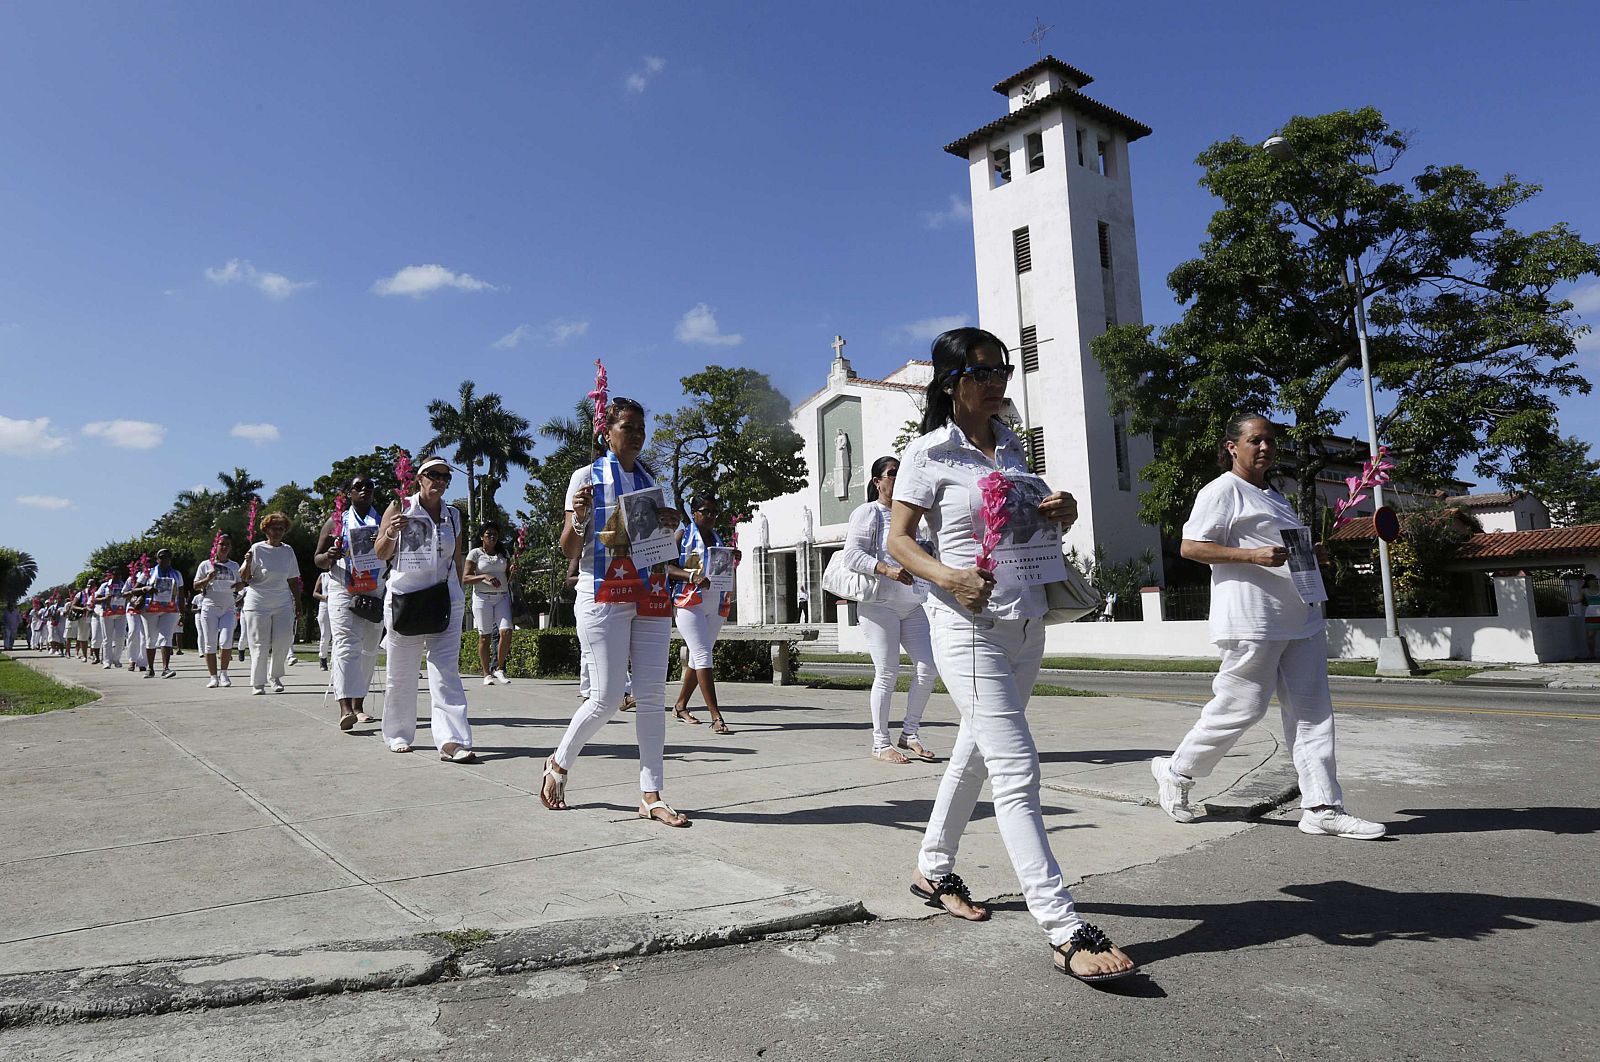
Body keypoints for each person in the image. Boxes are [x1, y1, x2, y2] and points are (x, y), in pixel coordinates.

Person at [886, 327, 1137, 983]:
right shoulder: (927, 453)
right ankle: (1062, 928)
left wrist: (1065, 512)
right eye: (982, 371)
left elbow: (1028, 527)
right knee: (1016, 767)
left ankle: (932, 867)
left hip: (1026, 622)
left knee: (976, 751)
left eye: (1002, 368)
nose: (997, 380)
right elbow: (899, 542)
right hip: (965, 624)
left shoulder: (1013, 448)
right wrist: (948, 577)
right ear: (950, 383)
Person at [1150, 412, 1386, 841]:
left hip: (1301, 618)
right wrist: (1251, 556)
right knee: (1242, 707)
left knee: (1314, 716)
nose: (1265, 448)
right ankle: (1178, 771)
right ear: (1232, 447)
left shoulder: (1276, 495)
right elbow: (1190, 547)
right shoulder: (1222, 490)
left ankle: (1322, 806)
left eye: (1270, 441)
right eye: (1255, 440)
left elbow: (1284, 549)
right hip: (1252, 619)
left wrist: (1312, 553)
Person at [543, 397, 690, 826]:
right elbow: (569, 547)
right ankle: (559, 761)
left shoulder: (649, 481)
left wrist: (667, 524)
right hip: (601, 591)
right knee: (606, 696)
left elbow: (660, 548)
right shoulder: (586, 477)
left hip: (647, 592)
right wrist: (581, 516)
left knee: (651, 697)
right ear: (607, 432)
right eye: (628, 426)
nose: (638, 434)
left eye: (642, 427)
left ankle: (651, 793)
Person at [374, 456, 475, 761]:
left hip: (445, 598)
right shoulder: (400, 506)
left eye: (446, 477)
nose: (440, 482)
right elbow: (380, 553)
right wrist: (392, 531)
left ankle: (452, 741)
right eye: (434, 475)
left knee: (446, 671)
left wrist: (459, 594)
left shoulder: (454, 515)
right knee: (402, 671)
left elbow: (456, 560)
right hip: (406, 598)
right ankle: (398, 733)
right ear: (419, 478)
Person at [844, 455, 938, 764]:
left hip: (911, 604)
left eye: (902, 473)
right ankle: (880, 743)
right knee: (887, 673)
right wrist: (886, 569)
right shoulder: (869, 512)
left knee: (927, 668)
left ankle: (909, 733)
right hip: (879, 605)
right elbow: (852, 557)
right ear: (877, 482)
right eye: (892, 473)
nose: (898, 478)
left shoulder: (911, 517)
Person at [314, 475, 387, 731]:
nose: (364, 490)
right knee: (346, 643)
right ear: (349, 493)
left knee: (369, 648)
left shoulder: (384, 519)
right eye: (358, 487)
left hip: (375, 587)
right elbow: (318, 559)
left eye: (369, 486)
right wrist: (329, 555)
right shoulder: (337, 521)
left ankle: (359, 704)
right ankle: (345, 706)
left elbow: (396, 552)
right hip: (343, 585)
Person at [671, 492, 734, 734]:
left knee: (698, 659)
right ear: (694, 512)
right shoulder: (682, 536)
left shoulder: (719, 539)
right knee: (702, 654)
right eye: (705, 511)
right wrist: (691, 576)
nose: (710, 516)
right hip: (689, 602)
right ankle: (716, 715)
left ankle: (680, 705)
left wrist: (731, 557)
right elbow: (665, 567)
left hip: (716, 603)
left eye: (714, 512)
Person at [239, 513, 303, 695]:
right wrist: (247, 562)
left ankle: (275, 676)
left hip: (282, 601)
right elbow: (244, 578)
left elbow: (292, 579)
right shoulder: (256, 549)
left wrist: (298, 603)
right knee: (259, 644)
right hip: (258, 601)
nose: (277, 532)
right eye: (274, 528)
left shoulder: (288, 550)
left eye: (281, 529)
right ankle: (257, 683)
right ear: (266, 529)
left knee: (283, 640)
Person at [466, 522, 514, 686]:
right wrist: (483, 577)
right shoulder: (475, 554)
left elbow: (507, 579)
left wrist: (513, 571)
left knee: (506, 632)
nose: (492, 537)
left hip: (502, 596)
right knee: (485, 637)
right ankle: (486, 673)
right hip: (482, 598)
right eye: (488, 534)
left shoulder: (503, 553)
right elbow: (465, 578)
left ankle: (499, 668)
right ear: (482, 537)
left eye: (495, 534)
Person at [194, 534, 241, 688]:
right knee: (210, 643)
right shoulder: (206, 565)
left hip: (228, 607)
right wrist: (207, 579)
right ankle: (213, 677)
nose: (224, 547)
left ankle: (224, 674)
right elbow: (196, 586)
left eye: (227, 544)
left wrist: (241, 585)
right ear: (216, 546)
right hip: (210, 607)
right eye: (222, 544)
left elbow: (240, 585)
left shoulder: (234, 566)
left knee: (226, 641)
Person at [132, 549, 185, 678]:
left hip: (170, 609)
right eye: (161, 557)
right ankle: (150, 668)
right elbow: (134, 590)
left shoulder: (176, 574)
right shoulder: (148, 573)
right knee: (151, 639)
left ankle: (166, 668)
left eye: (167, 557)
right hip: (151, 609)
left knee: (166, 637)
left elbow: (181, 594)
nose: (164, 559)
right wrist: (146, 588)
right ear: (157, 559)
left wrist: (182, 613)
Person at [313, 572, 332, 670]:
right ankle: (323, 658)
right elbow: (315, 593)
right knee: (325, 635)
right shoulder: (324, 575)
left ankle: (335, 660)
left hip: (337, 606)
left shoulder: (341, 574)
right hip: (325, 606)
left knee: (338, 635)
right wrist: (325, 597)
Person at [1583, 575, 1600, 659]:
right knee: (1590, 636)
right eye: (1594, 579)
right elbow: (1577, 600)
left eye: (1596, 579)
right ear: (1588, 581)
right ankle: (1591, 654)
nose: (1596, 581)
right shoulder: (1584, 591)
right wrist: (1565, 600)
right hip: (1590, 615)